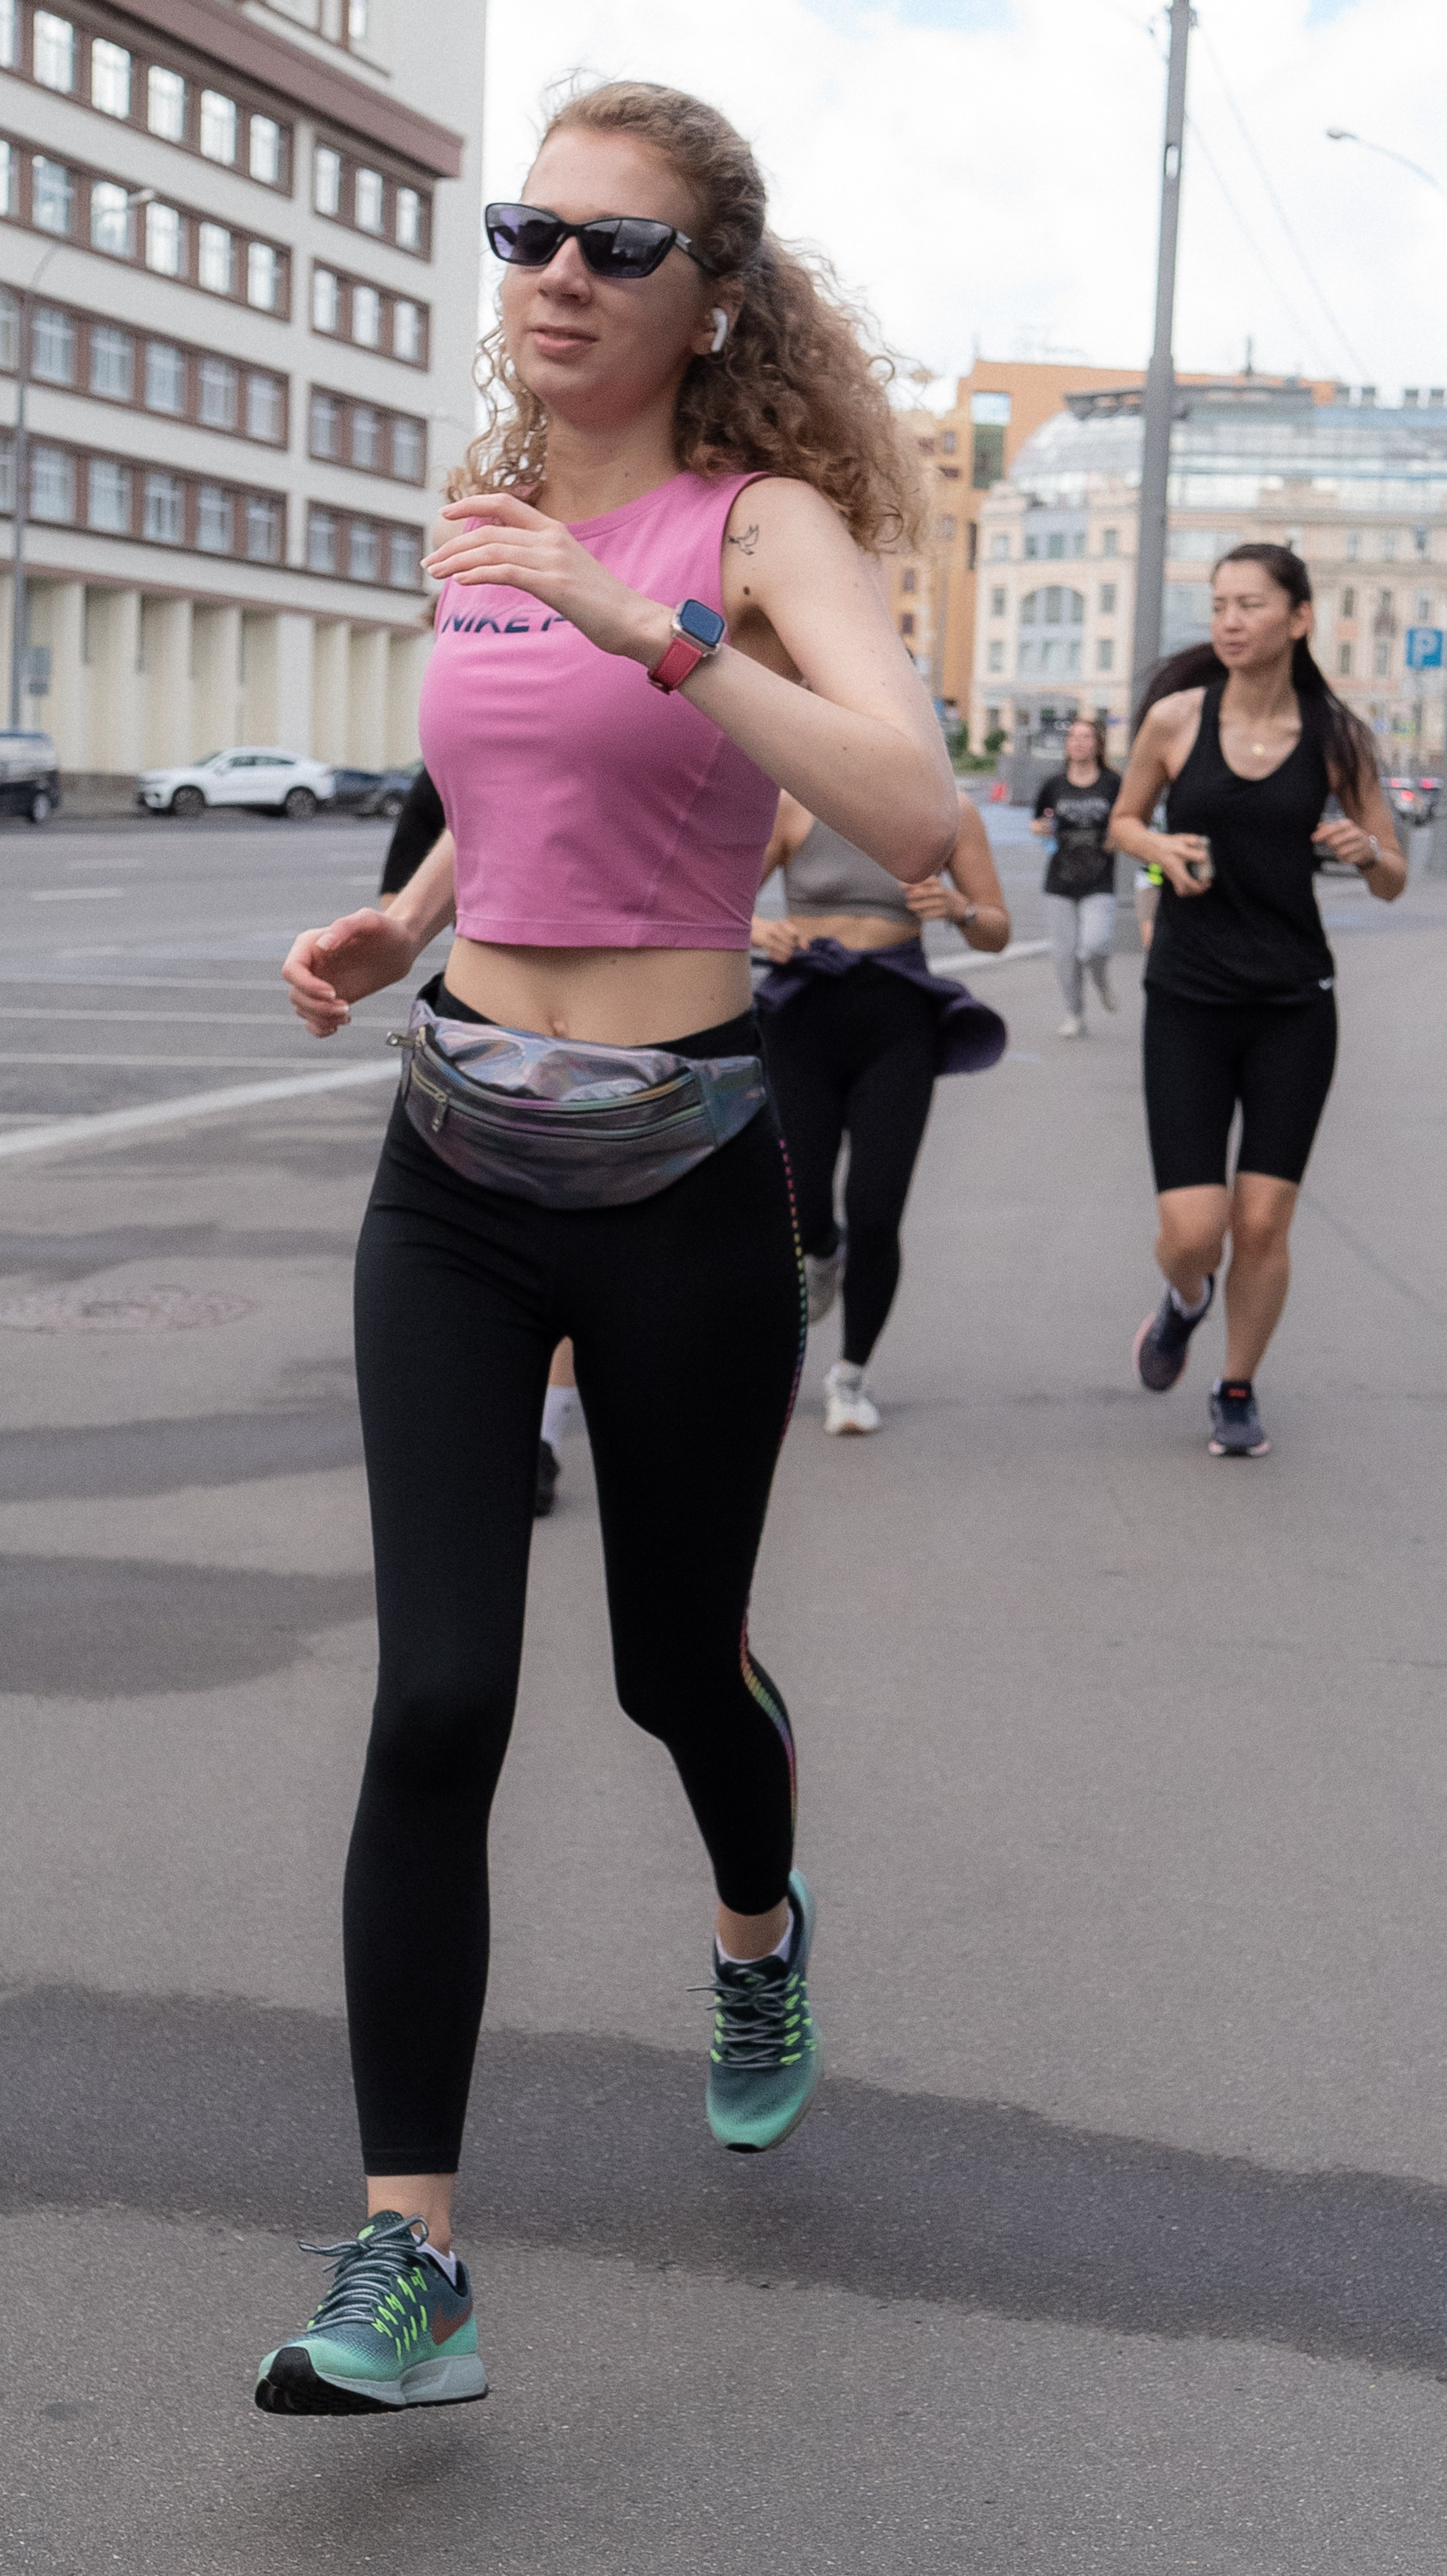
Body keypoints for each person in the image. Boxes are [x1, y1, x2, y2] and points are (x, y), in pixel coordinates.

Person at [254, 78, 958, 2416]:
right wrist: (410, 907)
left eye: (612, 244)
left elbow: (917, 810)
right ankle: (407, 2251)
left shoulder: (762, 527)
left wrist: (648, 622)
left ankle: (757, 1934)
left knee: (674, 1671)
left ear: (709, 294)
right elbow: (501, 766)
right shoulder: (487, 519)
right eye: (526, 228)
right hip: (452, 1155)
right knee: (439, 1690)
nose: (553, 270)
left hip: (680, 1168)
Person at [1110, 543, 1402, 1459]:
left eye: (1251, 604)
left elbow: (1393, 874)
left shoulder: (1341, 738)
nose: (1230, 621)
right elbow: (1125, 820)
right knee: (1194, 1231)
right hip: (1189, 1000)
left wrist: (1365, 851)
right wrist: (1159, 851)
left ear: (1298, 618)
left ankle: (1236, 1387)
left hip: (1293, 1004)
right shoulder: (1175, 719)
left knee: (1264, 1219)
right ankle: (1185, 1300)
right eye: (1220, 604)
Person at [752, 790, 1009, 1433]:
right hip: (803, 1014)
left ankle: (851, 1375)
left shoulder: (947, 811)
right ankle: (823, 1247)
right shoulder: (790, 806)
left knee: (876, 1207)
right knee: (798, 1204)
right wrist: (761, 930)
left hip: (897, 1020)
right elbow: (715, 904)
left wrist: (958, 907)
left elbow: (996, 930)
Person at [379, 773, 575, 1517]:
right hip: (477, 1055)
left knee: (570, 1256)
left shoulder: (618, 736)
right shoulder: (446, 771)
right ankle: (494, 1428)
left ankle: (544, 1438)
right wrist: (384, 942)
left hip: (614, 1050)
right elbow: (399, 908)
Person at [1030, 717, 1123, 1037]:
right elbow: (1037, 820)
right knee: (1064, 956)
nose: (1079, 743)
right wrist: (1040, 828)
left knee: (1093, 946)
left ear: (1097, 745)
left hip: (1099, 877)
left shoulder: (1113, 783)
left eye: (1086, 737)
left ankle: (1101, 980)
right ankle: (1075, 1014)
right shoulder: (1054, 785)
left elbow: (1131, 818)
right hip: (1060, 879)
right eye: (1073, 737)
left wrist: (1119, 835)